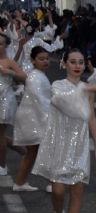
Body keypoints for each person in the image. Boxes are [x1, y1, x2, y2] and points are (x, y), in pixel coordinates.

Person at [32, 49, 96, 213]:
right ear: (65, 64)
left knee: (77, 189)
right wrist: (84, 90)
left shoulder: (86, 88)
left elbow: (90, 117)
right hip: (59, 141)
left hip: (79, 142)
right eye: (73, 61)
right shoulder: (57, 85)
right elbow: (63, 102)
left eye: (80, 62)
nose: (77, 65)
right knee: (57, 191)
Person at [12, 46, 50, 191]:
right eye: (41, 59)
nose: (45, 61)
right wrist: (51, 117)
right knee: (44, 150)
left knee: (32, 153)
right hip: (34, 118)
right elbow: (40, 100)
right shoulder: (35, 77)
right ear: (33, 61)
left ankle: (20, 182)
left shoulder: (38, 75)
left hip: (33, 117)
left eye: (47, 58)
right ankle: (52, 183)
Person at [0, 33, 26, 177]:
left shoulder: (9, 62)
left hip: (5, 99)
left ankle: (2, 166)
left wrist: (8, 72)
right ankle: (24, 152)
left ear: (6, 45)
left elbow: (24, 77)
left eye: (1, 44)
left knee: (0, 134)